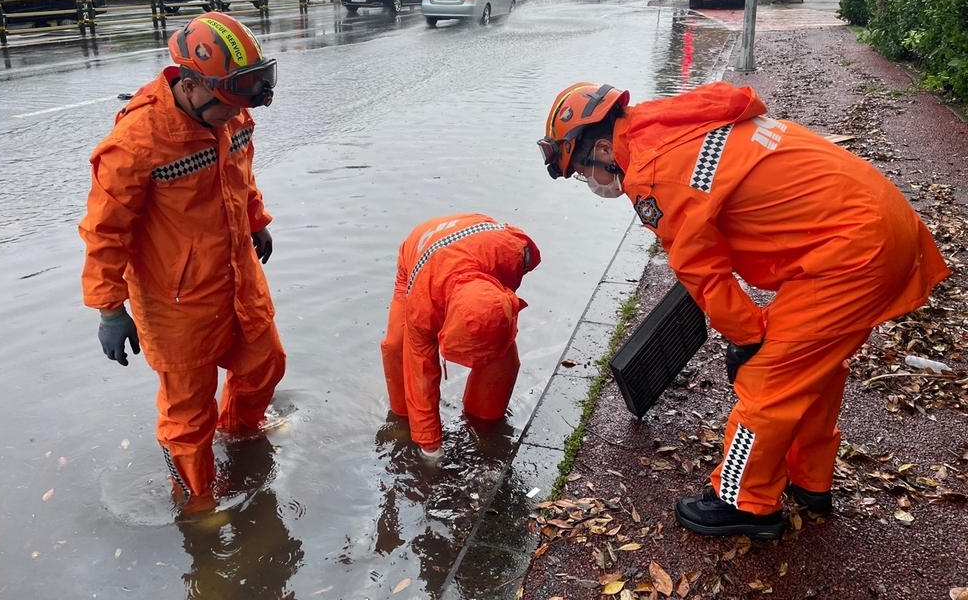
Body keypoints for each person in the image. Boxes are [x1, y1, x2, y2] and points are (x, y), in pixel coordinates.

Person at [538, 80, 949, 540]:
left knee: (769, 380)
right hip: (872, 225)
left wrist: (748, 337)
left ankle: (745, 502)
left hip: (851, 253)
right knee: (812, 369)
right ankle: (810, 478)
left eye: (583, 170)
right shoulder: (670, 126)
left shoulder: (654, 174)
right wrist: (752, 331)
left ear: (599, 146)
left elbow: (705, 273)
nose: (588, 181)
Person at [79, 12, 285, 509]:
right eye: (225, 107)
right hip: (176, 299)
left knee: (265, 364)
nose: (233, 116)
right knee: (188, 415)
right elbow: (105, 231)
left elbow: (240, 172)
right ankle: (196, 502)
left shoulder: (230, 109)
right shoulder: (137, 142)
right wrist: (109, 309)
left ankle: (240, 434)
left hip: (238, 274)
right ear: (190, 85)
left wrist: (256, 219)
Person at [380, 214, 541, 458]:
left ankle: (484, 423)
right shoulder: (422, 308)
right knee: (397, 347)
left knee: (495, 342)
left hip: (484, 247)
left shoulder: (515, 254)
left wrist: (499, 309)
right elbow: (420, 373)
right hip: (419, 258)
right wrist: (430, 446)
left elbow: (523, 244)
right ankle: (403, 423)